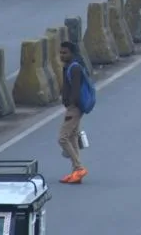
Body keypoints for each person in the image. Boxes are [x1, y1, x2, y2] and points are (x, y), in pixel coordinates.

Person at [58, 41, 88, 184]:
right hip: (74, 107)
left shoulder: (74, 68)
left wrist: (71, 104)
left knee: (62, 138)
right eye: (61, 52)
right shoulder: (71, 66)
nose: (61, 55)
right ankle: (76, 173)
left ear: (72, 53)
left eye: (65, 53)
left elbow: (75, 90)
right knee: (73, 137)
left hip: (74, 108)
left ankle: (79, 168)